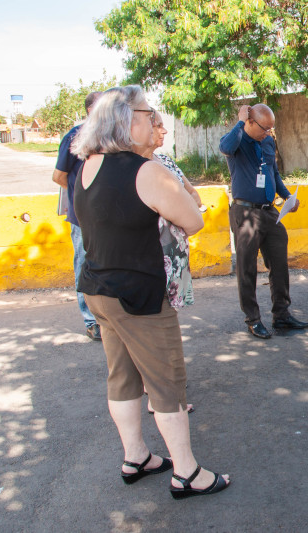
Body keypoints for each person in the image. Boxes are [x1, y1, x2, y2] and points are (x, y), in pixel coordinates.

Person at [72, 85, 229, 499]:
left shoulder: (89, 164)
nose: (153, 120)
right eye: (148, 113)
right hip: (140, 296)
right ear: (126, 120)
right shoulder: (147, 171)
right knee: (166, 385)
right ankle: (187, 473)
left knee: (121, 378)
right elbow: (193, 220)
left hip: (98, 289)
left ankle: (136, 456)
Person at [219, 104, 308, 339]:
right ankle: (253, 319)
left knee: (279, 265)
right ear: (249, 122)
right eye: (264, 128)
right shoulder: (236, 140)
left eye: (272, 128)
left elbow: (273, 173)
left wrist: (287, 196)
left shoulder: (268, 142)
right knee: (246, 268)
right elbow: (225, 147)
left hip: (270, 212)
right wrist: (239, 121)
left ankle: (281, 315)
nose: (269, 133)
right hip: (245, 213)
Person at [139, 111, 197, 415]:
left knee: (165, 323)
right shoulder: (141, 168)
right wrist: (179, 210)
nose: (163, 132)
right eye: (157, 126)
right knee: (158, 330)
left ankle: (160, 389)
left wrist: (181, 207)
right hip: (154, 259)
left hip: (174, 254)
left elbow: (192, 196)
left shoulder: (166, 162)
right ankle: (161, 395)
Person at [52, 91, 102, 341]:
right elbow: (59, 176)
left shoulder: (112, 137)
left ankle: (107, 316)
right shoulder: (75, 136)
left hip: (108, 217)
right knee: (84, 265)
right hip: (82, 218)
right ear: (92, 109)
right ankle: (91, 320)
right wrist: (79, 200)